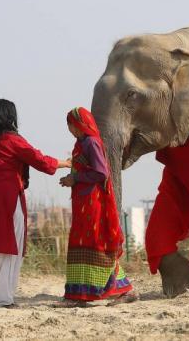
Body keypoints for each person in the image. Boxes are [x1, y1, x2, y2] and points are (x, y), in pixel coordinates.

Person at [0, 99, 71, 308]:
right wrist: (66, 163)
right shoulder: (11, 140)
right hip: (6, 198)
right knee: (8, 244)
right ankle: (1, 298)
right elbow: (39, 159)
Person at [59, 107, 134, 306]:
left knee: (96, 243)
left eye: (71, 125)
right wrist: (71, 179)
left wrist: (75, 178)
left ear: (80, 124)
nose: (69, 129)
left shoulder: (91, 142)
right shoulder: (82, 143)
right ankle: (87, 293)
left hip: (93, 202)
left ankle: (82, 295)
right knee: (86, 243)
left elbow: (101, 173)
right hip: (83, 202)